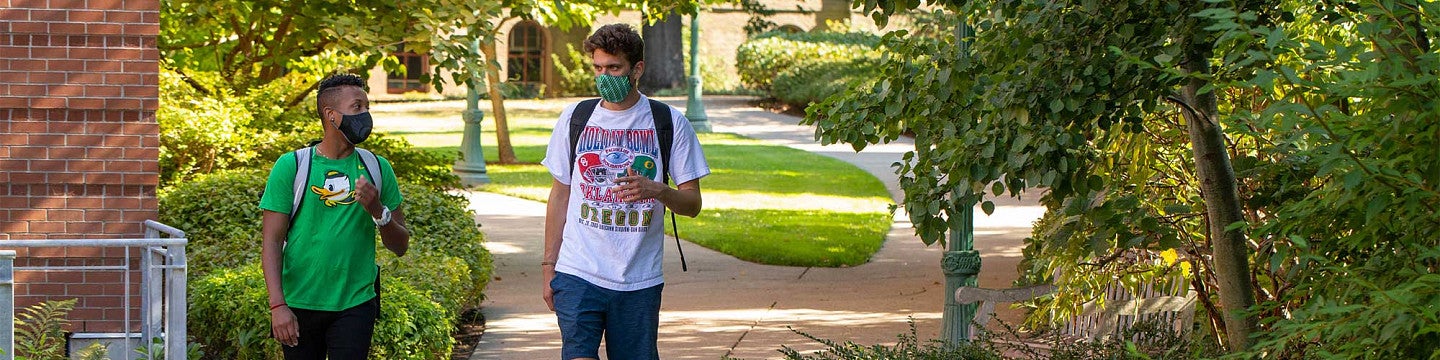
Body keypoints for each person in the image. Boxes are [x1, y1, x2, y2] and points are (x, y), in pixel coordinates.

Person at [540, 23, 711, 360]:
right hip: (578, 272)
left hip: (638, 280)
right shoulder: (576, 118)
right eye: (598, 68)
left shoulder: (668, 122)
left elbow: (692, 204)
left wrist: (658, 190)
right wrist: (549, 268)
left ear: (637, 69)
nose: (605, 76)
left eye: (614, 68)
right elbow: (559, 196)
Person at [258, 73, 410, 359]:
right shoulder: (292, 166)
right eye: (357, 107)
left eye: (367, 107)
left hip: (356, 304)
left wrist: (378, 210)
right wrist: (278, 307)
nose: (365, 115)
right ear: (331, 115)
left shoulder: (377, 168)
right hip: (299, 303)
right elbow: (271, 242)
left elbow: (401, 246)